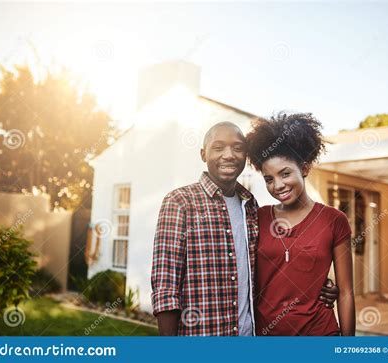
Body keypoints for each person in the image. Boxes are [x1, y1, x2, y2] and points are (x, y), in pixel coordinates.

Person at [151, 121, 339, 336]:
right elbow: (166, 288)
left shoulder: (251, 206)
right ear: (204, 154)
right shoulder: (180, 202)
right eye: (218, 147)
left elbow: (270, 269)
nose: (229, 155)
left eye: (238, 148)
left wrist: (319, 288)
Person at [246, 112, 355, 336]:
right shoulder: (257, 217)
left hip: (320, 335)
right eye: (269, 179)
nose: (278, 185)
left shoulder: (334, 220)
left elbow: (345, 293)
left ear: (304, 169)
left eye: (285, 173)